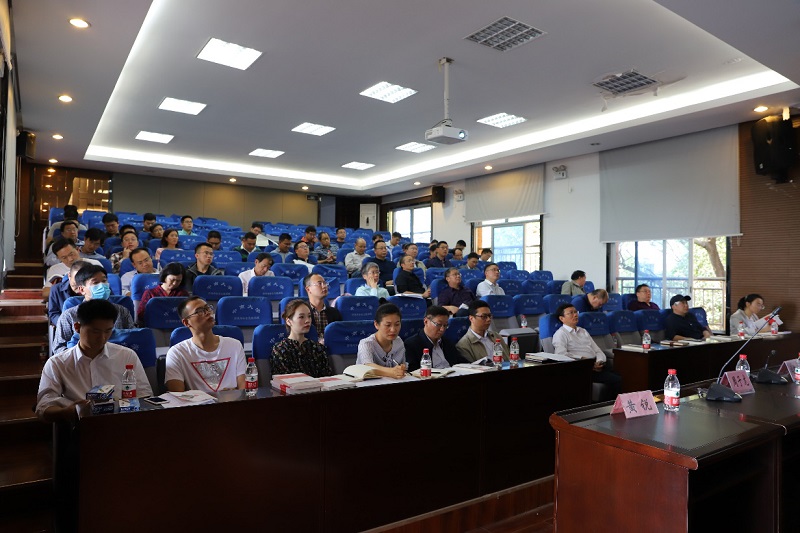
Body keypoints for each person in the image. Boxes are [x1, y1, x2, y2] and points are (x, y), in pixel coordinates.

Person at [36, 299, 152, 423]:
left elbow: (144, 395)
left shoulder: (126, 356)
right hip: (80, 425)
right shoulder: (58, 363)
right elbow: (43, 408)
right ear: (77, 327)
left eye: (108, 331)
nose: (102, 338)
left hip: (121, 422)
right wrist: (68, 412)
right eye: (95, 332)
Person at [165, 296, 246, 393]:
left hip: (233, 401)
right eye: (199, 311)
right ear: (186, 322)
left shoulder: (234, 345)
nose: (207, 313)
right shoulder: (177, 353)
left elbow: (244, 390)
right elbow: (177, 395)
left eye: (207, 308)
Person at [53, 265, 136, 354]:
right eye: (95, 283)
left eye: (104, 281)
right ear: (82, 289)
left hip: (116, 358)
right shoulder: (69, 315)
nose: (102, 286)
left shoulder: (121, 311)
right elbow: (59, 348)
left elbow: (133, 339)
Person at [552, 303, 622, 402]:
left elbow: (597, 350)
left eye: (576, 312)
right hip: (581, 368)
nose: (575, 315)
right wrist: (586, 362)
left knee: (626, 375)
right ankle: (608, 406)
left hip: (597, 365)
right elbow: (561, 355)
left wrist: (599, 361)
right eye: (571, 313)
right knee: (616, 380)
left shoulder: (583, 331)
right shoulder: (560, 334)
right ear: (561, 318)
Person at [271, 299, 333, 378]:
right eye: (301, 317)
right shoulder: (280, 350)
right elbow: (283, 380)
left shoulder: (317, 348)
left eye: (309, 316)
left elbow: (327, 377)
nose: (307, 321)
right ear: (288, 321)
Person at [404, 306, 468, 372]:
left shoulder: (446, 342)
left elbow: (461, 362)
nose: (442, 329)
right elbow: (413, 372)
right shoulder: (411, 345)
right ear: (426, 321)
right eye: (438, 324)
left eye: (445, 325)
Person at [356, 303, 407, 378]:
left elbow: (402, 365)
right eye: (388, 325)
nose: (393, 330)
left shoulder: (399, 342)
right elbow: (368, 366)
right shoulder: (366, 344)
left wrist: (401, 369)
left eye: (397, 324)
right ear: (376, 324)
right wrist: (391, 372)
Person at [48, 260, 89, 326]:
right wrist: (64, 323)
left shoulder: (94, 289)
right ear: (69, 276)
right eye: (77, 278)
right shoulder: (56, 289)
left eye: (84, 279)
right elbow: (53, 313)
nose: (80, 282)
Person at [304, 273, 342, 343]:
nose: (324, 286)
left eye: (325, 283)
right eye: (319, 284)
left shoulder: (334, 313)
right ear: (308, 289)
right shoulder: (302, 312)